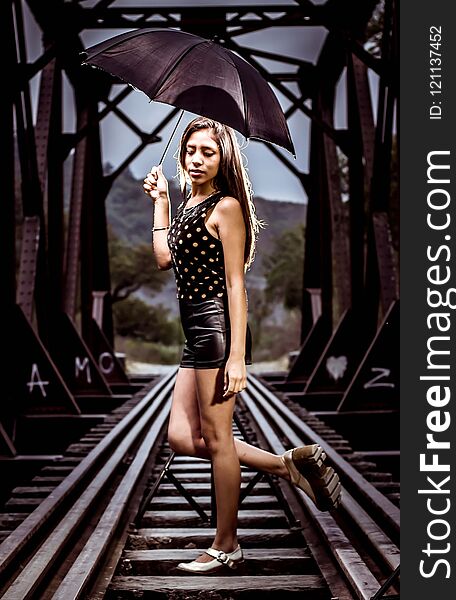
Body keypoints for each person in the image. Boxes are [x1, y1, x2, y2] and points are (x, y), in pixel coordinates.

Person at [143, 116, 341, 574]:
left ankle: (226, 543)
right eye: (191, 150)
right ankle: (286, 467)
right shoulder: (189, 203)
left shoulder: (226, 206)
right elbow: (162, 258)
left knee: (217, 441)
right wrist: (159, 202)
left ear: (222, 158)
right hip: (194, 334)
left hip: (216, 331)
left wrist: (237, 357)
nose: (197, 159)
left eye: (207, 153)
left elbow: (236, 285)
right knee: (180, 436)